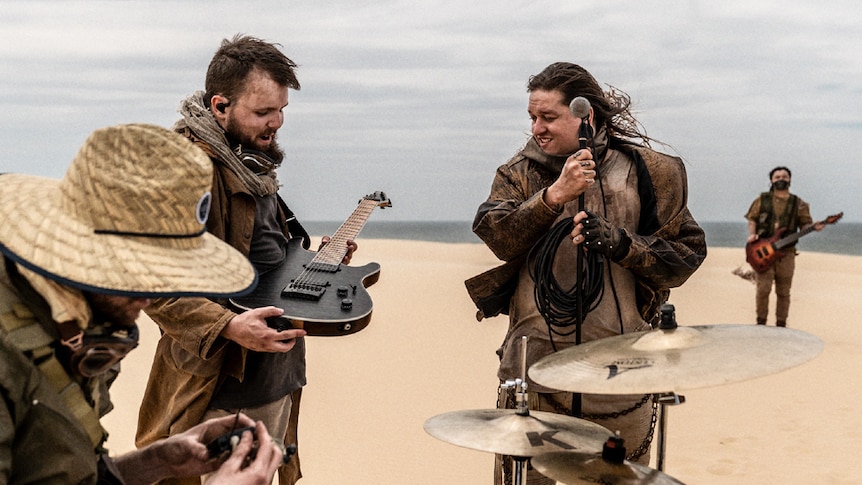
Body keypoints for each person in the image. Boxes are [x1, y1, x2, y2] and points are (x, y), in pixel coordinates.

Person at [0, 123, 285, 484]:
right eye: (142, 269)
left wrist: (158, 461)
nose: (153, 293)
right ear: (85, 249)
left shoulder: (84, 319)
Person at [466, 62, 707, 484]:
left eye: (548, 117)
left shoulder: (651, 172)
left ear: (586, 116)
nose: (536, 128)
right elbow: (496, 236)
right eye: (532, 117)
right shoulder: (519, 173)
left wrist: (621, 243)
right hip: (536, 372)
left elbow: (686, 256)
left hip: (622, 376)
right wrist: (554, 196)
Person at [135, 34, 357, 485]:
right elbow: (151, 283)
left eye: (281, 111)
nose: (275, 123)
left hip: (278, 382)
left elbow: (268, 261)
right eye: (262, 112)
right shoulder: (185, 170)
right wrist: (229, 326)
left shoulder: (251, 165)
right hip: (215, 394)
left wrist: (318, 261)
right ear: (220, 106)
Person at [744, 166, 823, 327]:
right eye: (777, 176)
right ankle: (761, 323)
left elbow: (805, 224)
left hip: (787, 254)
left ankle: (781, 324)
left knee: (784, 292)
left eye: (785, 176)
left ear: (790, 179)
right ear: (772, 180)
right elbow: (752, 219)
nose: (781, 179)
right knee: (763, 289)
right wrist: (752, 234)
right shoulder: (762, 199)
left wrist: (814, 226)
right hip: (763, 251)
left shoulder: (799, 203)